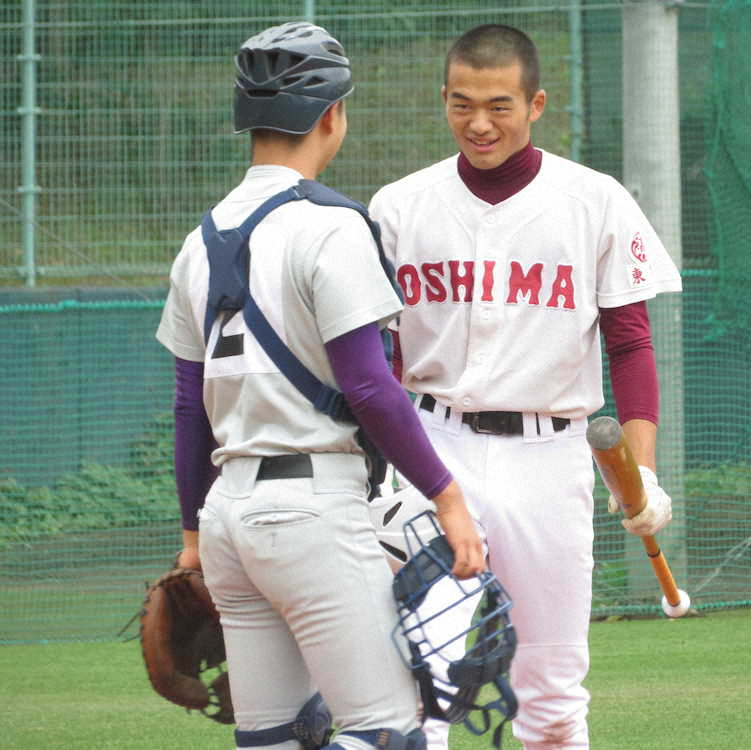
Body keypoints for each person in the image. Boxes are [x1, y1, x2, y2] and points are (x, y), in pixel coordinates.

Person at [155, 21, 484, 750]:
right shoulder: (332, 226)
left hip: (227, 521)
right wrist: (447, 495)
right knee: (387, 733)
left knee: (270, 738)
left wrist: (190, 539)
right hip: (311, 513)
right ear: (332, 115)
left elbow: (188, 407)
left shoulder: (197, 242)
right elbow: (369, 387)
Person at [368, 23, 681, 750]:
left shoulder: (594, 200)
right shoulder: (398, 207)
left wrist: (644, 472)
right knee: (416, 683)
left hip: (552, 455)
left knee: (552, 697)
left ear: (536, 103)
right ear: (443, 99)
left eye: (500, 105)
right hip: (430, 446)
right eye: (462, 103)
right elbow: (378, 359)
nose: (480, 122)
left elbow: (630, 344)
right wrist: (381, 468)